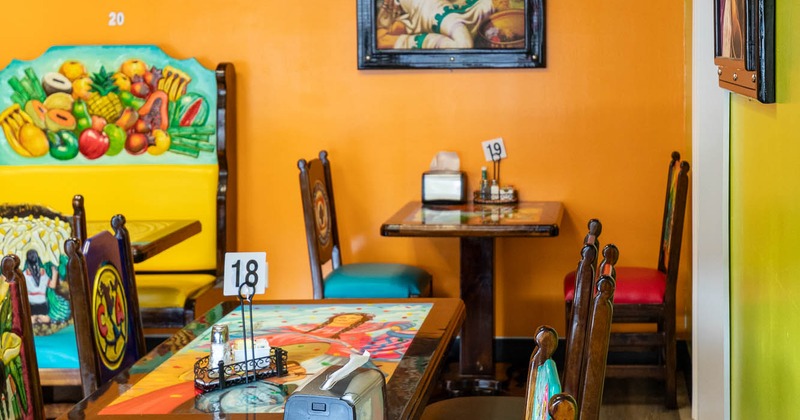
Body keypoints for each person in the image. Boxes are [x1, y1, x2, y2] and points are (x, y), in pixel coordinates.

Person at [377, 0, 512, 49]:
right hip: (432, 7)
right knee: (463, 45)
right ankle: (402, 42)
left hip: (454, 9)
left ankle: (406, 31)